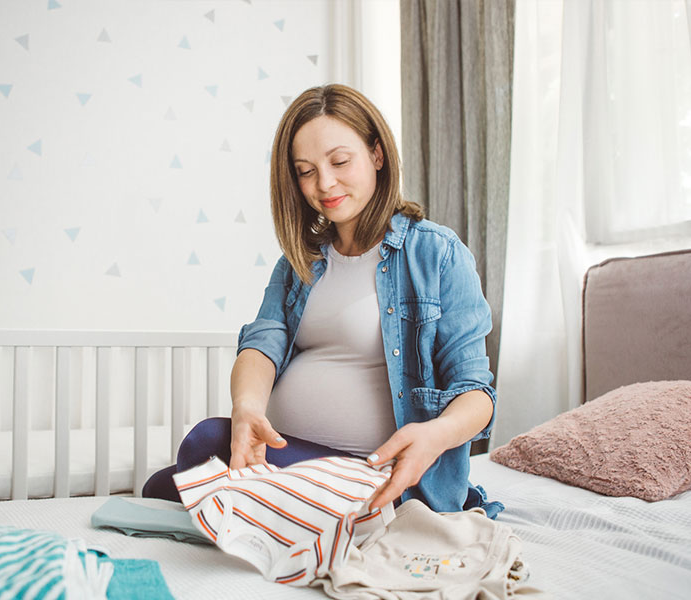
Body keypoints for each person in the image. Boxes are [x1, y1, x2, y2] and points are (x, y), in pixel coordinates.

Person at [142, 84, 501, 517]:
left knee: (200, 449)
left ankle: (286, 505)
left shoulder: (436, 254)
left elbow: (475, 392)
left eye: (340, 161)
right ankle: (278, 503)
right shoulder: (301, 261)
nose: (324, 183)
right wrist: (248, 409)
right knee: (159, 485)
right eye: (305, 170)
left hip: (377, 473)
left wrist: (435, 436)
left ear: (377, 156)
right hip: (295, 457)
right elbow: (262, 344)